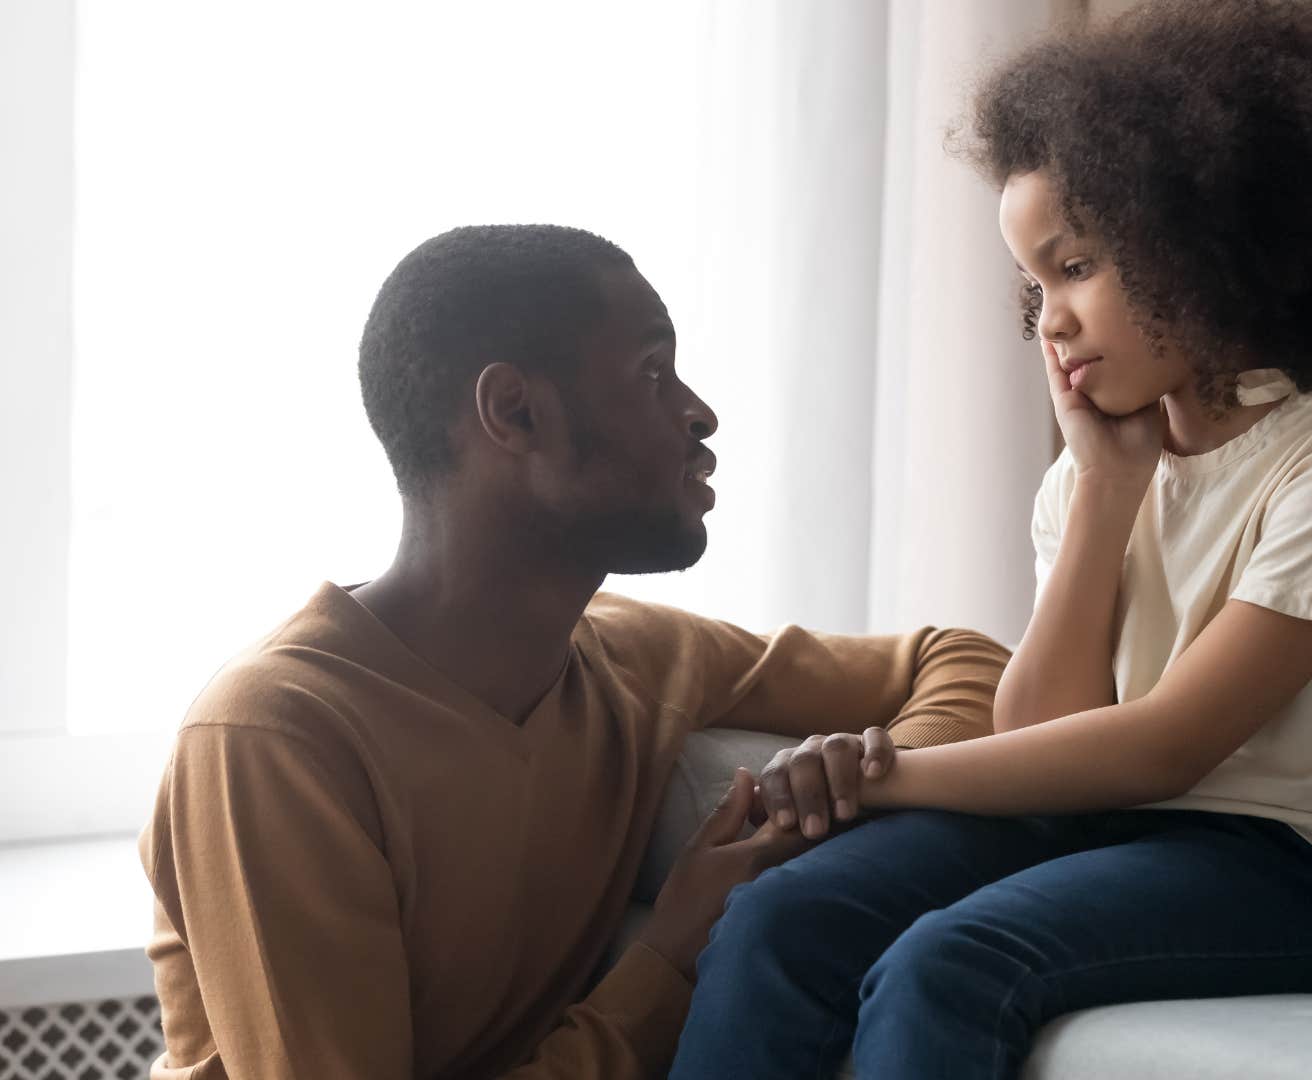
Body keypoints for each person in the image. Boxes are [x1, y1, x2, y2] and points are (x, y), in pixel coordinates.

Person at [670, 3, 1312, 1077]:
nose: (1050, 319)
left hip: (1293, 868)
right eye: (1035, 284)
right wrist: (1104, 488)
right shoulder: (1098, 471)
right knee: (782, 915)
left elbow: (1166, 746)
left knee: (952, 962)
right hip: (1107, 826)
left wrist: (889, 773)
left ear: (1196, 238)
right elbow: (1046, 728)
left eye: (1078, 265)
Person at [136, 224, 1009, 1079]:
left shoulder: (635, 656)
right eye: (652, 374)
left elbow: (962, 657)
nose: (701, 414)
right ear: (514, 411)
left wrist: (870, 777)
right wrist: (669, 959)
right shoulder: (275, 740)